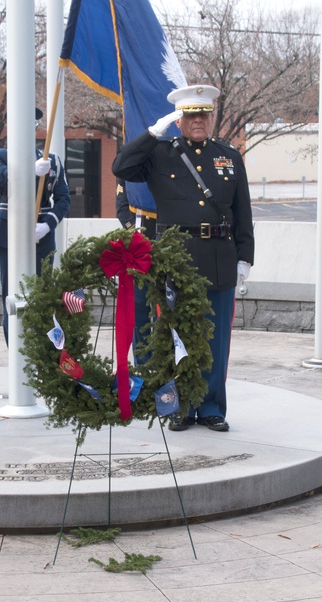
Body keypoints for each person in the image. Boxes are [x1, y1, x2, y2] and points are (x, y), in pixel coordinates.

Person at [112, 84, 254, 432]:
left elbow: (243, 213)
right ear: (179, 121)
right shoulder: (161, 154)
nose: (198, 121)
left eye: (203, 115)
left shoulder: (229, 157)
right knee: (177, 337)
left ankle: (211, 408)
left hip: (219, 256)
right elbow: (121, 166)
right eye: (190, 116)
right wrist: (152, 133)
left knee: (215, 339)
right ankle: (181, 406)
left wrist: (245, 257)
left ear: (211, 117)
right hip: (177, 258)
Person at [0, 106, 70, 345]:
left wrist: (47, 226)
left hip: (41, 234)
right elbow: (5, 180)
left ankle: (40, 352)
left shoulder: (51, 160)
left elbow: (64, 199)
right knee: (11, 293)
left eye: (31, 126)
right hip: (9, 232)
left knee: (42, 295)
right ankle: (14, 349)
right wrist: (30, 172)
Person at [115, 177, 152, 365]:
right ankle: (143, 362)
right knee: (139, 308)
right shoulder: (129, 168)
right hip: (138, 248)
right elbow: (122, 207)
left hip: (168, 242)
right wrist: (136, 234)